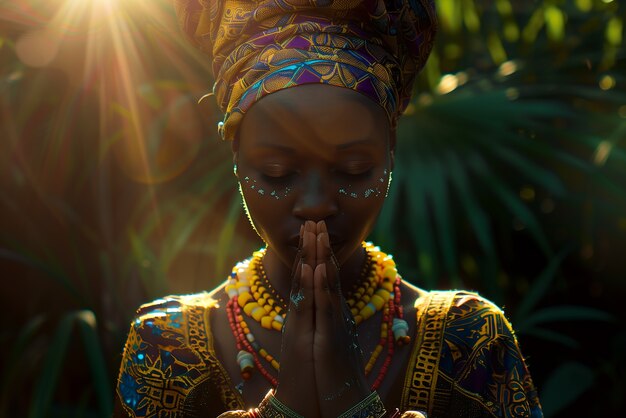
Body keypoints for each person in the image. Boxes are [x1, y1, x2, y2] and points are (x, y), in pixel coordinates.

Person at [113, 0, 543, 417]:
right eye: (278, 173)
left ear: (390, 155)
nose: (316, 204)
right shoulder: (167, 348)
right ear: (237, 158)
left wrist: (352, 401)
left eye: (354, 170)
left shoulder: (469, 343)